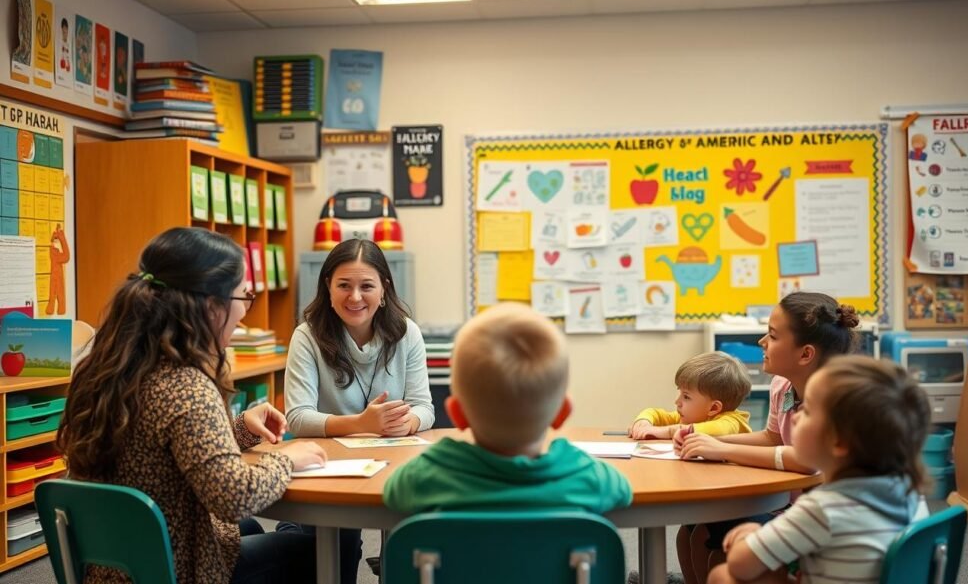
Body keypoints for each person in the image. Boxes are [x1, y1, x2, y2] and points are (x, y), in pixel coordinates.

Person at [57, 227, 327, 584]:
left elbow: (161, 449)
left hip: (113, 562)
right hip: (171, 569)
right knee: (317, 549)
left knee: (248, 529)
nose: (243, 314)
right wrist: (287, 459)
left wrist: (240, 429)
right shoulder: (187, 387)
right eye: (242, 297)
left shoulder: (102, 369)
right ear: (212, 307)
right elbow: (233, 496)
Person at [673, 291, 860, 584]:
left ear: (805, 354)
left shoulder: (835, 398)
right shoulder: (781, 385)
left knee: (720, 542)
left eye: (772, 336)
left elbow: (803, 460)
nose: (762, 342)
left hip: (821, 523)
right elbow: (773, 438)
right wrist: (699, 438)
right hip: (792, 505)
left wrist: (721, 448)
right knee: (694, 530)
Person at [383, 302, 632, 514]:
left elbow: (392, 493)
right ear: (562, 413)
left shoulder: (426, 476)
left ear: (457, 414)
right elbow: (624, 492)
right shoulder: (589, 478)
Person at [284, 238, 434, 582]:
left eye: (366, 286)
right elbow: (298, 417)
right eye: (343, 286)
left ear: (384, 288)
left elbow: (425, 407)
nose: (354, 297)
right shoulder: (307, 336)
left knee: (405, 534)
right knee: (340, 544)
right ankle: (297, 531)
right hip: (328, 467)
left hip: (394, 463)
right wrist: (361, 423)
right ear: (327, 288)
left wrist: (408, 421)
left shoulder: (406, 333)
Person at [707, 356, 930, 584]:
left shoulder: (822, 509)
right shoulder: (910, 492)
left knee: (723, 576)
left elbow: (740, 565)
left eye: (808, 411)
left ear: (840, 442)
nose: (794, 418)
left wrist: (748, 533)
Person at [629, 351, 752, 440]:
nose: (677, 401)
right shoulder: (688, 418)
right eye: (680, 393)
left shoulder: (733, 422)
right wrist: (643, 422)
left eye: (686, 396)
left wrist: (666, 431)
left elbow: (712, 430)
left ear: (714, 408)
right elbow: (655, 413)